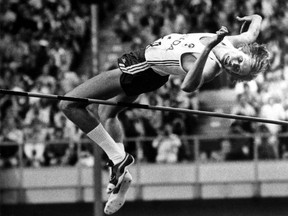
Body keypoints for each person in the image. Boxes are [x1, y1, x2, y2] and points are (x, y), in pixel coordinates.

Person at [59, 14, 270, 214]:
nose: (234, 65)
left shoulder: (209, 68)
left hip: (143, 68)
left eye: (236, 71)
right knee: (107, 113)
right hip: (151, 73)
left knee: (69, 105)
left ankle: (118, 159)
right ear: (243, 51)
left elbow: (188, 86)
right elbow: (251, 34)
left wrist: (210, 47)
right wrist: (255, 18)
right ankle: (120, 172)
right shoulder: (231, 42)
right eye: (240, 62)